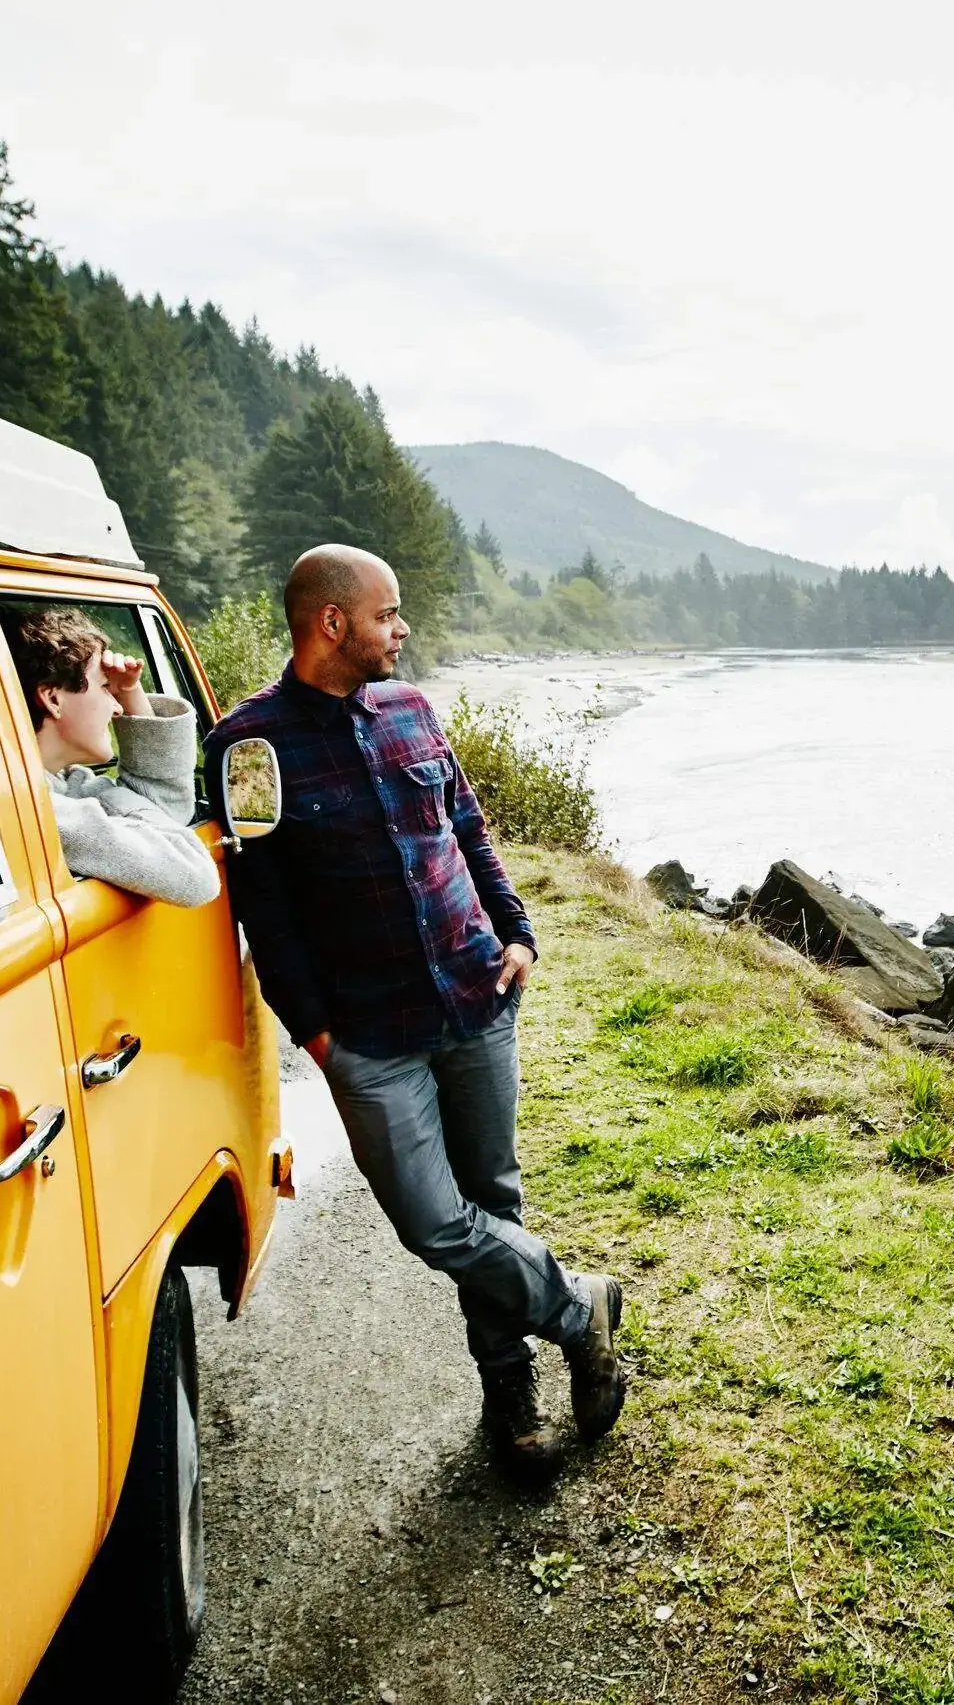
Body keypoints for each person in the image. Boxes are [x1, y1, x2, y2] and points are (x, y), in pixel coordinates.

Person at [206, 544, 624, 1465]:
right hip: (367, 1032)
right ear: (333, 622)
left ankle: (510, 1413)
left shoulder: (412, 709)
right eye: (389, 614)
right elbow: (263, 908)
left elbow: (467, 827)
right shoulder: (249, 748)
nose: (403, 630)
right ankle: (578, 1306)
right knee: (435, 1222)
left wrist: (517, 933)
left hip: (477, 996)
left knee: (493, 1200)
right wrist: (312, 1030)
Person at [9, 606, 220, 910]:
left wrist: (131, 693)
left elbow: (166, 812)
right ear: (53, 699)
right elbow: (194, 876)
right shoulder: (46, 811)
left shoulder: (66, 785)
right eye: (105, 688)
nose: (117, 709)